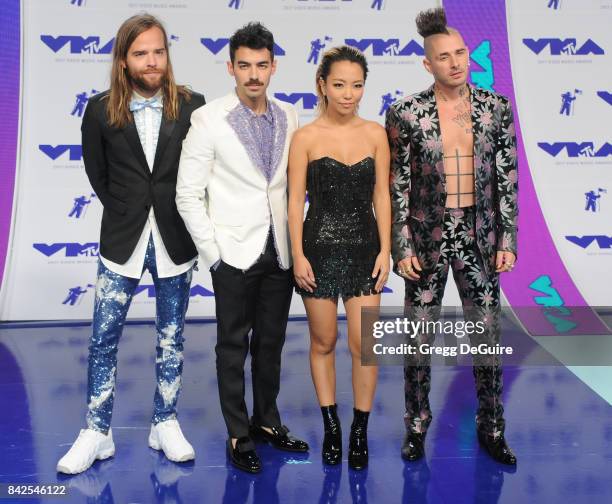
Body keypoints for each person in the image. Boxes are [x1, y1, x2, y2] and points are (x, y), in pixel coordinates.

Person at [56, 13, 205, 474]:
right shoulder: (100, 110)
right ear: (124, 61)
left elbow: (198, 174)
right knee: (103, 338)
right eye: (141, 53)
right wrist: (127, 208)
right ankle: (96, 432)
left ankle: (165, 422)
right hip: (122, 240)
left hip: (175, 239)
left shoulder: (192, 104)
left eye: (158, 51)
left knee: (172, 337)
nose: (152, 60)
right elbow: (97, 174)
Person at [385, 7, 518, 465]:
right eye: (444, 56)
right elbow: (397, 184)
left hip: (480, 237)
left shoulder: (495, 108)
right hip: (426, 240)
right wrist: (400, 246)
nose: (456, 62)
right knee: (418, 339)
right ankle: (416, 426)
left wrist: (508, 239)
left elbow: (507, 178)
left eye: (460, 52)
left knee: (486, 336)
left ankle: (492, 426)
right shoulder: (405, 113)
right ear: (428, 64)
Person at [176, 22, 308, 474]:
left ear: (274, 66)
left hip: (281, 250)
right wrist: (213, 255)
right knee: (232, 346)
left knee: (271, 342)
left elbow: (289, 186)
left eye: (262, 65)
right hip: (232, 252)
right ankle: (238, 432)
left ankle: (267, 421)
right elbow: (187, 195)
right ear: (231, 67)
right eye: (245, 65)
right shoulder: (208, 119)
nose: (254, 74)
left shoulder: (291, 115)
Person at [288, 46, 391, 470]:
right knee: (323, 341)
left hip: (366, 247)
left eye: (357, 85)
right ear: (322, 86)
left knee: (364, 346)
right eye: (340, 85)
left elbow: (382, 195)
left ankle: (359, 431)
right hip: (318, 248)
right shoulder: (305, 138)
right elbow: (295, 202)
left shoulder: (376, 134)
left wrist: (386, 249)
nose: (349, 94)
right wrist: (297, 254)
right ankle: (331, 426)